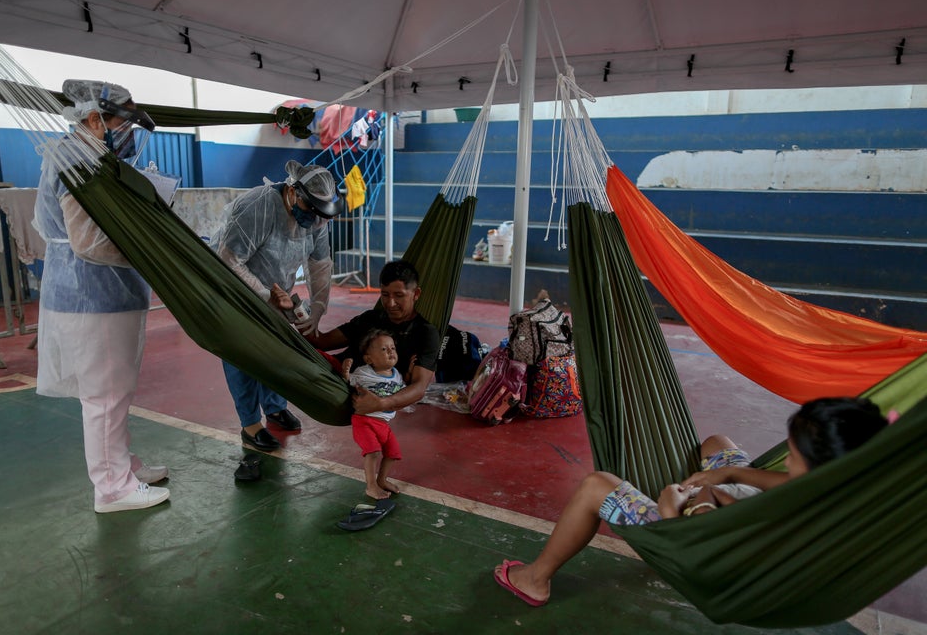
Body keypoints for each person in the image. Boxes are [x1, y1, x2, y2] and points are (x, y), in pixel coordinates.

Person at [492, 396, 890, 606]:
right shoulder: (843, 490)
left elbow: (697, 552)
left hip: (705, 552)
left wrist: (673, 507)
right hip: (734, 514)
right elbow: (785, 484)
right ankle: (715, 480)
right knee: (717, 445)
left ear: (821, 468)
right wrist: (728, 474)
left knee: (596, 484)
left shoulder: (790, 524)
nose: (788, 460)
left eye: (796, 456)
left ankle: (534, 580)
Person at [34, 79, 169, 513]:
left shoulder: (91, 155)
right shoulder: (75, 159)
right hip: (90, 295)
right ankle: (112, 488)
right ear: (94, 119)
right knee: (104, 394)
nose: (128, 134)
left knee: (116, 390)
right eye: (121, 123)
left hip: (101, 295)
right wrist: (152, 255)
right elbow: (89, 244)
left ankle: (122, 466)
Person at [212, 160, 342, 452]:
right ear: (294, 192)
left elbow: (319, 264)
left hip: (277, 290)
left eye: (322, 214)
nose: (315, 220)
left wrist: (318, 307)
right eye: (311, 210)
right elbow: (230, 260)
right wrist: (263, 295)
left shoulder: (316, 217)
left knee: (276, 347)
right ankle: (250, 424)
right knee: (243, 354)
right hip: (235, 289)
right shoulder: (258, 206)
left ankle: (274, 407)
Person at [306, 260, 440, 416]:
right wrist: (294, 311)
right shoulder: (370, 318)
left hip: (372, 391)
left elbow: (419, 388)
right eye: (385, 294)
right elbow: (320, 342)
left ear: (416, 294)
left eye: (399, 296)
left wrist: (381, 404)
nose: (390, 303)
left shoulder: (425, 333)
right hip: (332, 375)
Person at [340, 329, 408, 499]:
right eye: (384, 349)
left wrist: (411, 370)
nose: (391, 351)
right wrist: (346, 373)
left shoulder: (397, 375)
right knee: (373, 452)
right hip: (364, 421)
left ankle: (382, 480)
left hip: (384, 425)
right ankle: (371, 486)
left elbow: (403, 392)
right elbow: (348, 382)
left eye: (392, 348)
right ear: (369, 359)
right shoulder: (364, 373)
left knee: (393, 453)